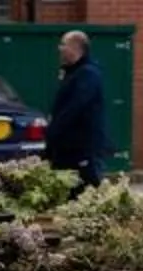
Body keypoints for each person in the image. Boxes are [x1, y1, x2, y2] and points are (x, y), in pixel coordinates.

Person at [47, 29, 109, 187]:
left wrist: (54, 130)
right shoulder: (72, 72)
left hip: (82, 148)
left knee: (88, 189)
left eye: (63, 45)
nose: (60, 49)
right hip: (68, 149)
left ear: (75, 48)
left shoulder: (88, 74)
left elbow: (75, 108)